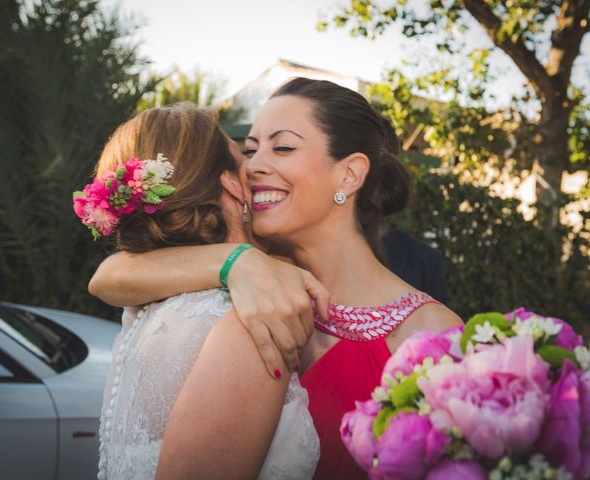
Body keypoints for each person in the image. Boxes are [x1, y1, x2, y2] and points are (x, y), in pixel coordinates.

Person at [89, 78, 463, 480]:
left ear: (350, 175)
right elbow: (109, 276)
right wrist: (235, 262)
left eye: (282, 147)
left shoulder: (432, 335)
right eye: (249, 150)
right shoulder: (242, 273)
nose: (253, 166)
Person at [80, 104, 320, 480]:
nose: (257, 171)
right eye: (245, 158)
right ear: (230, 183)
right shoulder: (250, 320)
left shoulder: (150, 308)